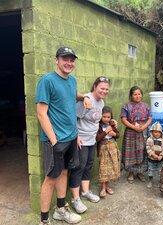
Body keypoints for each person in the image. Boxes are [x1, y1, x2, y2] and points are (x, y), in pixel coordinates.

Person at [36, 47, 91, 225]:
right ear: (56, 60)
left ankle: (61, 210)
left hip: (71, 137)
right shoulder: (47, 81)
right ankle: (44, 220)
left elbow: (72, 96)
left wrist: (84, 98)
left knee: (64, 172)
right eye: (65, 59)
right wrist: (54, 141)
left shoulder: (72, 80)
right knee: (51, 178)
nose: (69, 63)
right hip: (56, 140)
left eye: (72, 60)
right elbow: (41, 114)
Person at [69, 76, 110, 214]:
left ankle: (85, 192)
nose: (104, 91)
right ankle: (75, 199)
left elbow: (95, 121)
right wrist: (76, 136)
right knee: (78, 167)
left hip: (92, 140)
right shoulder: (86, 99)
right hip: (81, 139)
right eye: (102, 88)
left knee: (88, 165)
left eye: (106, 89)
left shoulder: (101, 102)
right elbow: (73, 118)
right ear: (95, 87)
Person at [121, 86, 152, 184]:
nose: (137, 96)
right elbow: (124, 119)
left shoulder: (146, 106)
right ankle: (131, 172)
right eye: (135, 94)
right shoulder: (126, 106)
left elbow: (150, 118)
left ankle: (140, 172)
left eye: (139, 94)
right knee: (130, 152)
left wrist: (144, 127)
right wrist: (133, 127)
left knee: (142, 151)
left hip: (143, 132)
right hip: (131, 132)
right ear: (131, 96)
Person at [96, 106, 120, 198]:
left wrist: (114, 134)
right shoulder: (98, 125)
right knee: (103, 168)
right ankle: (103, 187)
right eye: (104, 117)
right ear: (100, 116)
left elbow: (118, 135)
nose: (106, 119)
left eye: (108, 117)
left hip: (112, 147)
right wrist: (106, 131)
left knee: (110, 168)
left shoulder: (112, 124)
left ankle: (107, 186)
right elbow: (97, 138)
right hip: (103, 149)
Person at [146, 121, 163, 188]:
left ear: (161, 133)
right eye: (155, 132)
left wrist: (161, 155)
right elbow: (148, 148)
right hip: (151, 159)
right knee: (150, 170)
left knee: (160, 171)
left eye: (158, 132)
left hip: (160, 160)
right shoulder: (149, 140)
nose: (157, 134)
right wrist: (154, 155)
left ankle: (159, 181)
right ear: (152, 132)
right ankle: (150, 181)